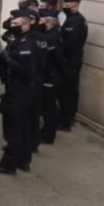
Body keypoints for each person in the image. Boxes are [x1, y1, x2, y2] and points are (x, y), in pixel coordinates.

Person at [0, 9, 42, 175]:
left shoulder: (28, 43)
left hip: (21, 90)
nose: (12, 26)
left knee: (14, 128)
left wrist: (7, 58)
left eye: (15, 24)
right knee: (23, 126)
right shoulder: (21, 39)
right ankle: (23, 159)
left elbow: (26, 70)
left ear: (26, 24)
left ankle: (8, 164)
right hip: (19, 88)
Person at [59, 0, 88, 131]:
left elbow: (69, 43)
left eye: (67, 5)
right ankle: (65, 118)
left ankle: (66, 121)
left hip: (71, 61)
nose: (64, 7)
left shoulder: (76, 21)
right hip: (69, 60)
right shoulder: (71, 19)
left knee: (68, 91)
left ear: (75, 5)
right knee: (65, 90)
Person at [39, 9, 66, 144]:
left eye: (42, 20)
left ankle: (48, 135)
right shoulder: (49, 34)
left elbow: (55, 58)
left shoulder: (52, 36)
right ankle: (46, 132)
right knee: (46, 106)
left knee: (49, 107)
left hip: (51, 75)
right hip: (49, 74)